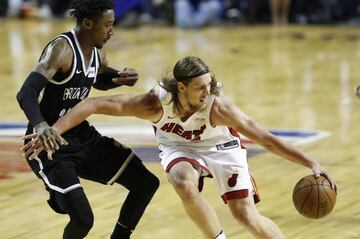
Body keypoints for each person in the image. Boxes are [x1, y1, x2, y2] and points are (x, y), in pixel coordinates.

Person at [23, 56, 337, 239]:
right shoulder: (152, 103)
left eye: (210, 84)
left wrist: (310, 163)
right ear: (181, 88)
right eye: (201, 87)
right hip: (179, 146)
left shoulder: (218, 107)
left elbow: (264, 137)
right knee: (181, 181)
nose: (208, 91)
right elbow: (92, 104)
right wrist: (49, 130)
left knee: (246, 217)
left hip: (221, 145)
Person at [16, 0, 159, 238]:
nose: (112, 31)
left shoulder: (98, 49)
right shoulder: (62, 50)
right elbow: (26, 92)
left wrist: (117, 78)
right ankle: (61, 197)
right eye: (108, 25)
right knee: (83, 220)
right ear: (88, 23)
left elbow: (95, 77)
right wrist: (41, 125)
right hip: (49, 144)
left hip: (82, 135)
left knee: (145, 183)